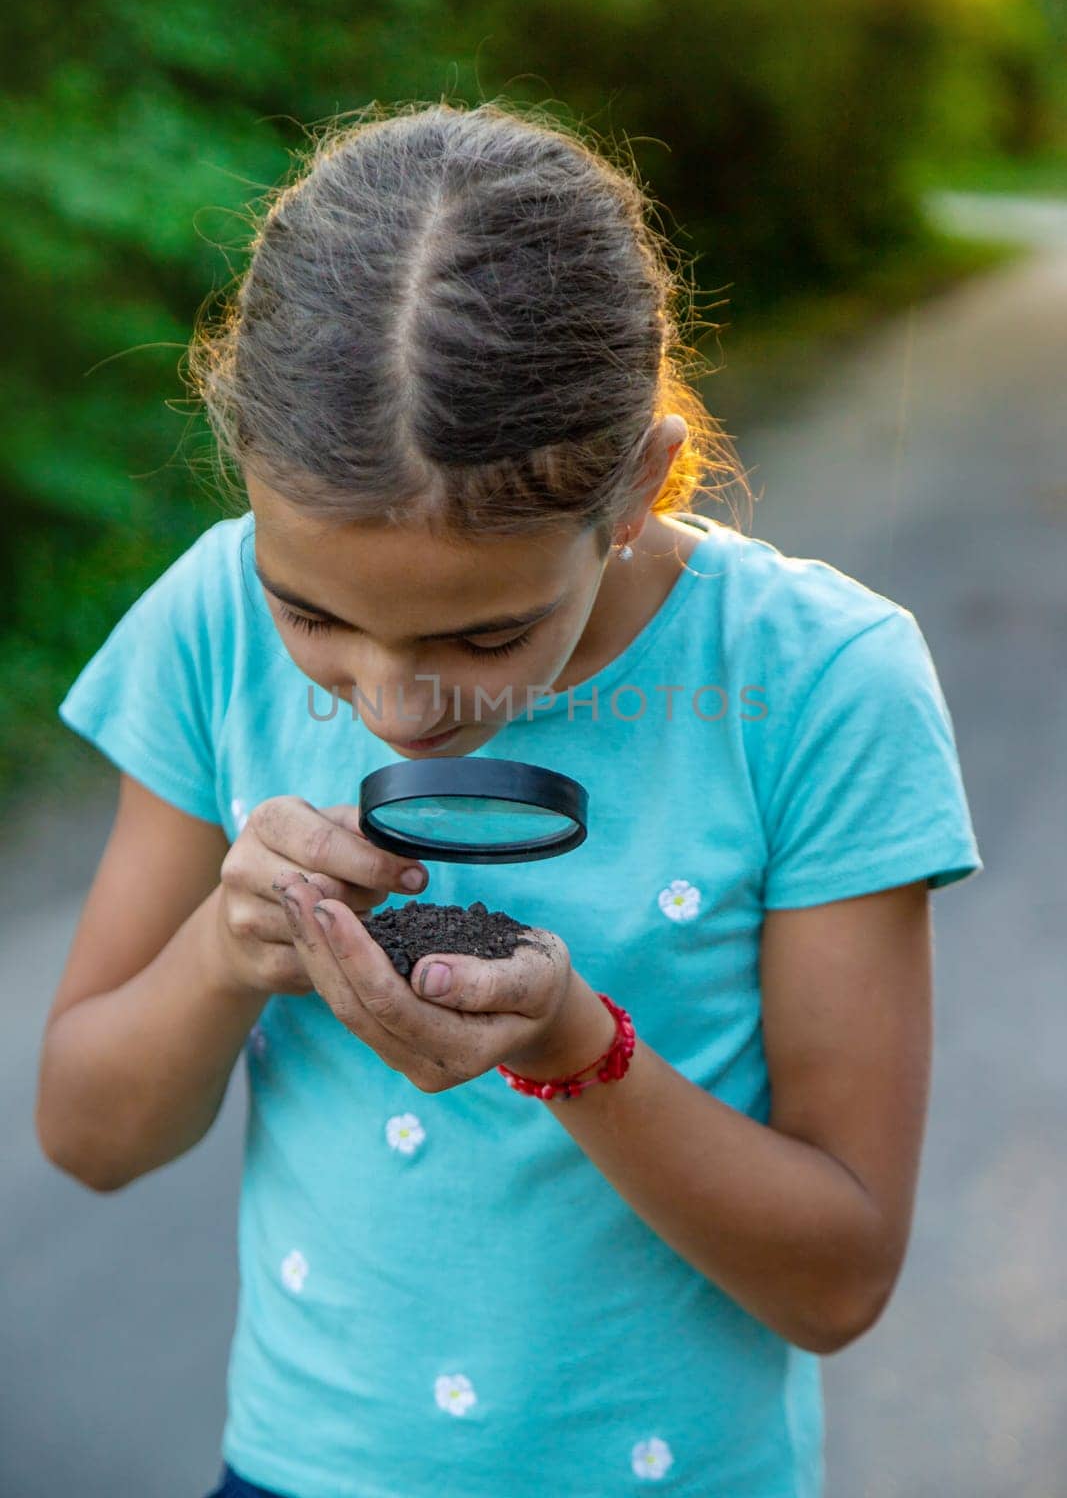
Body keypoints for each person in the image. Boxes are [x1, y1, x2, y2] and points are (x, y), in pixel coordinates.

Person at [38, 99, 983, 1498]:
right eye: (315, 616)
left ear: (634, 492)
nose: (396, 708)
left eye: (482, 638)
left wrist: (573, 1047)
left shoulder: (819, 686)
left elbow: (837, 1281)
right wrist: (221, 955)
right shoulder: (208, 627)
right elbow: (88, 1134)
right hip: (301, 1471)